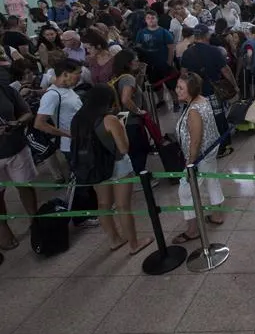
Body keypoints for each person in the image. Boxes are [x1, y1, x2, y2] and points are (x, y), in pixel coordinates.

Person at [70, 85, 154, 254]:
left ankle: (114, 239)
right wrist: (121, 127)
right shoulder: (109, 119)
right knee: (123, 206)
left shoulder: (78, 119)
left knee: (103, 204)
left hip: (95, 167)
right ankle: (134, 244)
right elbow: (123, 148)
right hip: (118, 166)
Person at [34, 59, 97, 227]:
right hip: (72, 146)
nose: (79, 78)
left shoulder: (68, 89)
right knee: (80, 180)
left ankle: (93, 209)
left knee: (87, 177)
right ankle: (80, 217)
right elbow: (39, 123)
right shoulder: (52, 95)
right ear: (65, 74)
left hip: (83, 141)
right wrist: (67, 134)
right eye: (77, 74)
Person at [172, 73, 226, 243]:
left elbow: (195, 140)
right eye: (177, 86)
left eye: (181, 88)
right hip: (210, 151)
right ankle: (217, 215)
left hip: (200, 156)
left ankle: (193, 230)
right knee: (212, 181)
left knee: (186, 191)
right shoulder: (203, 100)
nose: (176, 90)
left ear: (191, 90)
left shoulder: (194, 110)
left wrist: (190, 163)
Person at [180, 22, 238, 158]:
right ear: (206, 36)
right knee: (218, 117)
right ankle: (223, 146)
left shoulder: (188, 53)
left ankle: (206, 146)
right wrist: (234, 85)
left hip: (195, 93)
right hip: (212, 90)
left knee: (201, 119)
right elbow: (225, 70)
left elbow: (183, 73)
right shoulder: (214, 51)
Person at [0, 85, 38, 250]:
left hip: (16, 148)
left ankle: (34, 220)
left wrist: (16, 123)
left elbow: (27, 112)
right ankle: (3, 229)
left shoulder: (5, 90)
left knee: (25, 186)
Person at [110, 50, 151, 175]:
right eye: (135, 60)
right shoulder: (128, 78)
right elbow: (126, 99)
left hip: (122, 118)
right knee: (139, 148)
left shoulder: (119, 77)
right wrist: (138, 111)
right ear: (128, 63)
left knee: (132, 148)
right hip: (132, 119)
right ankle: (140, 176)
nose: (138, 62)